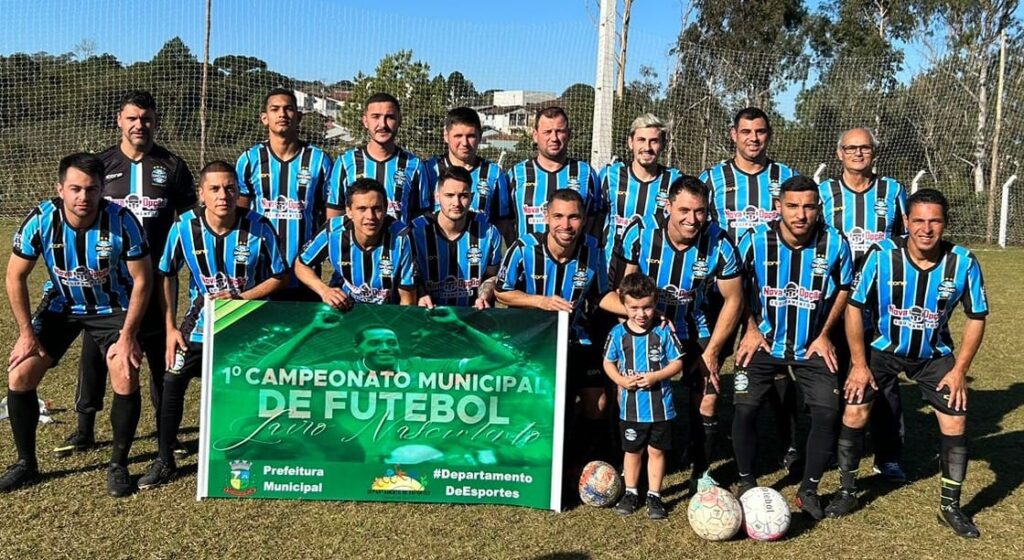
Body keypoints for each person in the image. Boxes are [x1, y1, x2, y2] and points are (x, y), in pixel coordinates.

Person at [825, 189, 987, 538]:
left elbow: (977, 316)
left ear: (945, 224)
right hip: (882, 350)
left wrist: (959, 371)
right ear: (906, 222)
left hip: (934, 355)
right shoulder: (882, 255)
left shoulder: (963, 261)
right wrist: (858, 363)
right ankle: (847, 491)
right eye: (919, 221)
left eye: (935, 221)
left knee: (955, 419)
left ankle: (950, 507)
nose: (926, 229)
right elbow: (854, 307)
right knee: (855, 409)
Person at [56, 90, 196, 459]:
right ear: (119, 119)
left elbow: (188, 222)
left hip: (155, 277)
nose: (139, 125)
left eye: (146, 118)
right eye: (132, 118)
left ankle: (168, 432)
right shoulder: (101, 164)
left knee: (156, 351)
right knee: (94, 355)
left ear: (155, 121)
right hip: (105, 282)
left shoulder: (174, 166)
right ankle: (84, 427)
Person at [1, 153, 151, 497]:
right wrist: (26, 334)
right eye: (75, 189)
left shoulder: (123, 220)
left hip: (112, 306)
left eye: (91, 189)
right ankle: (26, 464)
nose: (83, 197)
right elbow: (15, 276)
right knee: (20, 374)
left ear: (102, 191)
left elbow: (142, 281)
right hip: (61, 305)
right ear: (60, 189)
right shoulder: (41, 219)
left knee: (124, 372)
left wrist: (128, 335)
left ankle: (118, 465)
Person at [137, 161, 289, 489]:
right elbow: (165, 274)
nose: (224, 195)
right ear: (201, 194)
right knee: (172, 380)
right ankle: (165, 458)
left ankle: (251, 452)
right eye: (216, 189)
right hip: (197, 326)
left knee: (251, 387)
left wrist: (244, 298)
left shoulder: (260, 226)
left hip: (245, 327)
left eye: (230, 188)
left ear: (238, 192)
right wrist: (170, 328)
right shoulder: (183, 227)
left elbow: (280, 274)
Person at [732, 175, 852, 520]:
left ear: (819, 208)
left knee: (829, 412)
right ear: (778, 206)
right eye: (793, 206)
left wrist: (825, 334)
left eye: (809, 206)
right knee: (744, 409)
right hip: (763, 343)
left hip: (811, 345)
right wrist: (751, 328)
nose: (801, 214)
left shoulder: (834, 242)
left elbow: (845, 287)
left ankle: (809, 488)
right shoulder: (755, 239)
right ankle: (746, 480)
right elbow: (735, 285)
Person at [613, 175, 743, 491]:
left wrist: (711, 353)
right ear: (669, 206)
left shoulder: (719, 241)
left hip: (692, 326)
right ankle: (631, 463)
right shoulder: (641, 232)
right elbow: (621, 289)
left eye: (700, 211)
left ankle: (700, 471)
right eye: (684, 210)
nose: (692, 219)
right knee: (633, 393)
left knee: (709, 395)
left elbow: (735, 299)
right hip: (644, 327)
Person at [699, 106, 802, 471]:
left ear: (768, 135)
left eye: (760, 132)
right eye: (746, 131)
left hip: (774, 291)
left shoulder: (787, 177)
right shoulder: (712, 178)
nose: (753, 138)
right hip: (722, 289)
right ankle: (702, 445)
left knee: (776, 367)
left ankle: (790, 444)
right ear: (733, 135)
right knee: (709, 362)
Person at [496, 189, 626, 472]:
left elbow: (601, 296)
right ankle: (530, 459)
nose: (566, 225)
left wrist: (641, 311)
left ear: (583, 219)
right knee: (544, 403)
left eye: (573, 217)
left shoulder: (593, 249)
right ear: (545, 217)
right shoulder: (523, 248)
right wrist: (539, 301)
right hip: (531, 342)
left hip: (576, 337)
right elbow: (501, 293)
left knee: (600, 402)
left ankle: (585, 461)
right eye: (558, 216)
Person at [818, 127, 908, 482]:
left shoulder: (893, 191)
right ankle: (834, 450)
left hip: (881, 306)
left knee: (882, 380)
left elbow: (905, 241)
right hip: (835, 301)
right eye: (851, 148)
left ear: (874, 152)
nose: (858, 153)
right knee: (832, 378)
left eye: (865, 147)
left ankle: (887, 457)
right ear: (839, 153)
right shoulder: (825, 193)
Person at [236, 87, 332, 301]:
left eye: (288, 109)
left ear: (298, 117)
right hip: (259, 272)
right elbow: (239, 218)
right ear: (265, 118)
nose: (282, 114)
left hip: (305, 272)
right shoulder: (249, 159)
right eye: (275, 109)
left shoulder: (319, 160)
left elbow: (331, 219)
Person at [604, 273, 684, 520]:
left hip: (660, 407)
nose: (641, 314)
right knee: (632, 451)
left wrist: (656, 376)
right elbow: (608, 362)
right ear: (624, 306)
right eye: (634, 308)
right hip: (630, 408)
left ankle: (654, 495)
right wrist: (620, 380)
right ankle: (630, 492)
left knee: (657, 451)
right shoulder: (618, 333)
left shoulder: (663, 332)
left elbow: (677, 363)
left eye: (647, 307)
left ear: (655, 304)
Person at [296, 178, 417, 308]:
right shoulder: (333, 231)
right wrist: (324, 290)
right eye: (362, 209)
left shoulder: (402, 238)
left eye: (376, 208)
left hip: (387, 312)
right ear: (349, 211)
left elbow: (407, 299)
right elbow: (301, 265)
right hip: (345, 308)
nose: (370, 216)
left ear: (386, 208)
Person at [492, 106, 603, 245]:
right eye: (547, 132)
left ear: (568, 134)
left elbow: (596, 220)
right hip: (528, 263)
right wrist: (516, 249)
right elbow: (505, 221)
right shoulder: (516, 174)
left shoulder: (586, 173)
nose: (554, 138)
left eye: (559, 131)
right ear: (535, 135)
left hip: (574, 263)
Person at [326, 92, 428, 224]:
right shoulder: (345, 163)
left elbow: (421, 217)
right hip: (355, 245)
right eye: (376, 117)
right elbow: (335, 214)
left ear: (399, 121)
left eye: (389, 117)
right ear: (365, 121)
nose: (382, 124)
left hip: (398, 244)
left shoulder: (415, 165)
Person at [410, 166, 503, 308]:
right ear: (437, 196)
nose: (456, 203)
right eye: (449, 195)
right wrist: (421, 294)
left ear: (472, 197)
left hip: (472, 316)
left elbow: (491, 275)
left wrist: (484, 296)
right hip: (429, 317)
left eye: (463, 196)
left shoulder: (489, 232)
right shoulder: (416, 232)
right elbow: (411, 276)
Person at [600, 113, 683, 263]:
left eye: (654, 141)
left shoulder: (675, 180)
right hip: (611, 268)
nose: (647, 147)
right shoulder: (609, 175)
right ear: (631, 143)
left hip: (654, 268)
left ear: (663, 144)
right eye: (641, 140)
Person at [424, 107, 507, 217]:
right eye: (458, 136)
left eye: (470, 136)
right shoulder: (428, 170)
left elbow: (503, 222)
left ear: (480, 136)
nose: (464, 143)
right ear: (446, 136)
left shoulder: (494, 173)